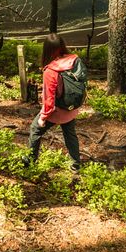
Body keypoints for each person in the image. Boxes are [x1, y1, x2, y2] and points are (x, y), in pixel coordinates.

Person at [25, 33, 81, 172]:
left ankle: (29, 162)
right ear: (62, 45)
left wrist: (43, 118)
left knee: (35, 129)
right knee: (70, 135)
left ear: (47, 49)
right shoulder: (73, 60)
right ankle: (75, 164)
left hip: (57, 111)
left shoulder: (50, 70)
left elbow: (49, 100)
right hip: (71, 108)